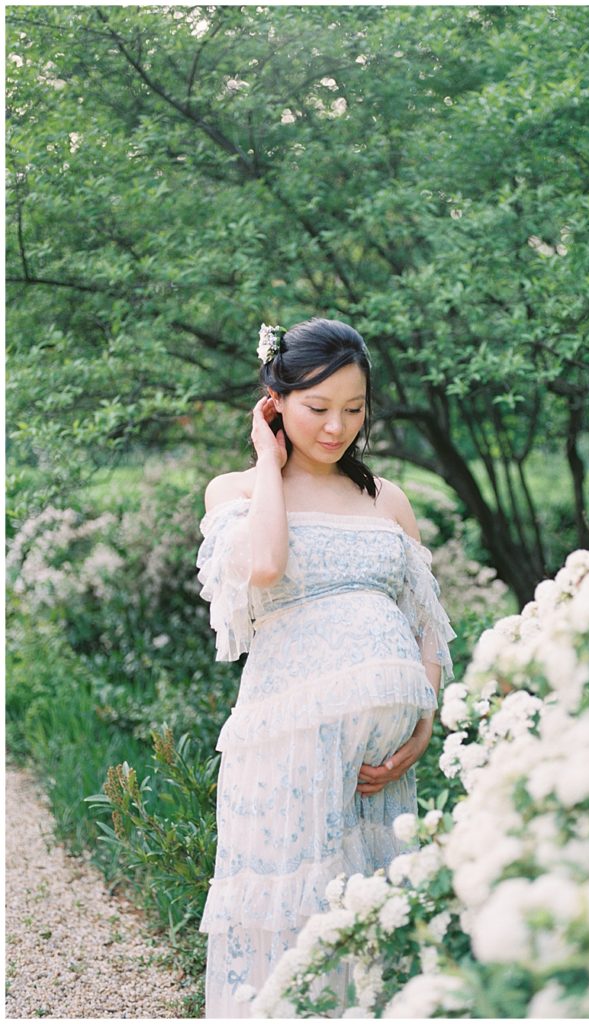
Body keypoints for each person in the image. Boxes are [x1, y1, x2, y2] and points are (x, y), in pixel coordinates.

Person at [195, 317, 456, 1018]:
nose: (337, 427)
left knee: (368, 920)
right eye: (317, 408)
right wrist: (264, 458)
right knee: (295, 917)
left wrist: (421, 731)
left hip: (379, 768)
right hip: (287, 747)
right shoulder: (237, 492)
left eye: (354, 408)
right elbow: (265, 564)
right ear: (274, 400)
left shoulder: (387, 500)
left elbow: (425, 627)